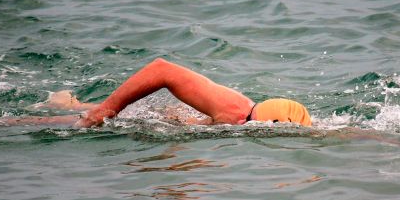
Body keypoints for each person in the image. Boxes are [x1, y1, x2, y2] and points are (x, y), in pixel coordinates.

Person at [46, 58, 312, 128]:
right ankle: (10, 121)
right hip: (173, 118)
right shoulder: (232, 110)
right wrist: (106, 109)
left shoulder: (299, 126)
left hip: (179, 119)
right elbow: (162, 69)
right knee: (89, 122)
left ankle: (68, 103)